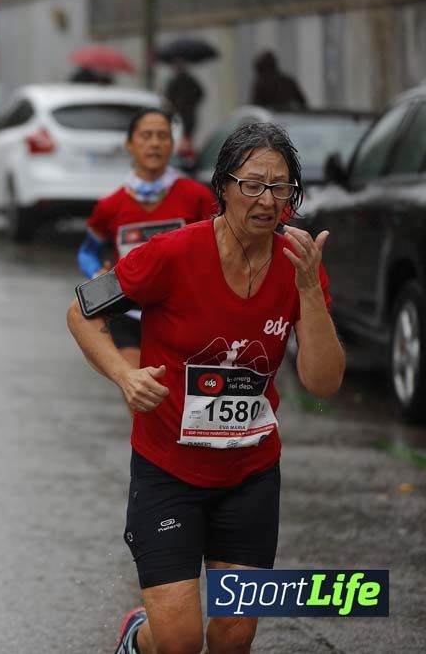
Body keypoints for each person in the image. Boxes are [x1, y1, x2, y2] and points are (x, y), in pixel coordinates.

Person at [67, 122, 344, 654]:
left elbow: (323, 382)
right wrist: (124, 374)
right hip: (168, 468)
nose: (267, 201)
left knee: (233, 635)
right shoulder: (169, 253)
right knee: (178, 640)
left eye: (281, 187)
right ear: (223, 186)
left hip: (251, 472)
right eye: (253, 185)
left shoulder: (299, 264)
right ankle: (136, 638)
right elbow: (81, 312)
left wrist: (309, 289)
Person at [78, 108, 214, 369]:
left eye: (163, 136)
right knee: (138, 393)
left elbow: (220, 246)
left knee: (175, 401)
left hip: (181, 313)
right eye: (146, 136)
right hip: (128, 313)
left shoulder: (196, 197)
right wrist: (97, 274)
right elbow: (86, 252)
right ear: (129, 144)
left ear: (172, 144)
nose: (154, 143)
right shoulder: (110, 205)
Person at [163, 59, 204, 157]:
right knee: (177, 136)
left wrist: (189, 102)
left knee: (187, 137)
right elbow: (168, 96)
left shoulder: (190, 81)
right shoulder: (173, 81)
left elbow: (200, 93)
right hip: (178, 115)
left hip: (188, 114)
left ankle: (186, 154)